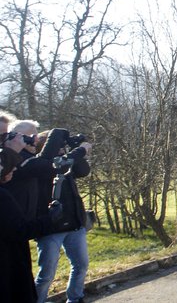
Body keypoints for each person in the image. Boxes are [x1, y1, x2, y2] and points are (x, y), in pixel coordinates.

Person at [33, 129, 92, 303]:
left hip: (74, 224)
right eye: (58, 147)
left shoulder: (67, 162)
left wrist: (76, 151)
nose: (62, 150)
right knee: (46, 274)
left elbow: (83, 171)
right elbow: (55, 165)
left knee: (81, 265)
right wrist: (79, 150)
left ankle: (75, 298)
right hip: (51, 227)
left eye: (62, 147)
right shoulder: (39, 165)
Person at [1, 145, 61, 303]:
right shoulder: (3, 197)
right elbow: (19, 230)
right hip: (8, 264)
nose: (14, 170)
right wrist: (50, 218)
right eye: (11, 167)